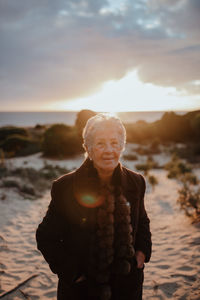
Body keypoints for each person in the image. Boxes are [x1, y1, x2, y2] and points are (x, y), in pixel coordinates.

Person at [36, 113, 152, 300]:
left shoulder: (136, 182)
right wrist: (72, 273)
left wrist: (141, 253)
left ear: (122, 146)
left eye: (114, 143)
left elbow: (142, 221)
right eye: (100, 143)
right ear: (88, 148)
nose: (108, 150)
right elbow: (45, 236)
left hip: (127, 287)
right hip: (82, 290)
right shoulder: (65, 187)